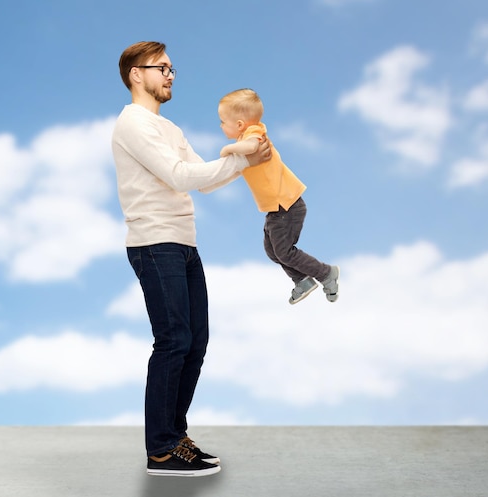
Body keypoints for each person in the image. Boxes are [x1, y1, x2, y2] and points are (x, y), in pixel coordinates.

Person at [111, 42, 271, 477]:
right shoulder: (133, 124)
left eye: (171, 68)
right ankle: (160, 450)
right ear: (134, 75)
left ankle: (175, 437)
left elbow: (204, 179)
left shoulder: (170, 129)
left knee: (194, 343)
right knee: (173, 341)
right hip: (154, 242)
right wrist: (242, 157)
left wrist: (244, 158)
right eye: (160, 68)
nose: (169, 75)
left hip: (183, 243)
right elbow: (180, 176)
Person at [218, 88, 339, 304]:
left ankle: (326, 273)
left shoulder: (254, 133)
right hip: (277, 208)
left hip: (286, 206)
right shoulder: (250, 133)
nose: (220, 126)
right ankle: (302, 280)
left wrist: (228, 148)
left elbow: (251, 146)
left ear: (239, 125)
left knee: (284, 252)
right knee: (273, 251)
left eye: (222, 121)